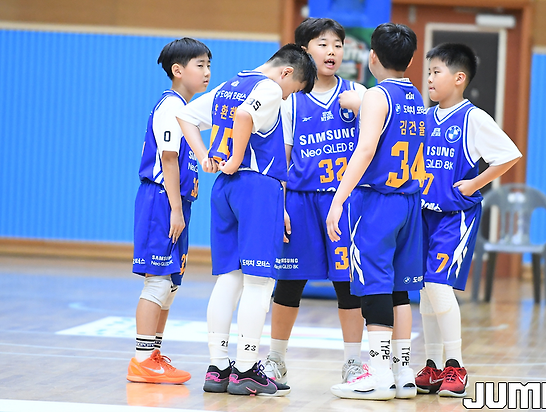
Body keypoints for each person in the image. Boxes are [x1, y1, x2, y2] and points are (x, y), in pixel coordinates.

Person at [176, 43, 316, 397]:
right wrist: (237, 157)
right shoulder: (269, 88)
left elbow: (186, 117)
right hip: (257, 186)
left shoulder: (230, 84)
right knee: (259, 282)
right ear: (286, 73)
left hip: (225, 189)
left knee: (229, 278)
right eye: (293, 90)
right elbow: (244, 117)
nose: (288, 96)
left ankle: (218, 367)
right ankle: (246, 368)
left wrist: (205, 156)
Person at [263, 17, 367, 386]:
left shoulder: (357, 94)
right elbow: (282, 157)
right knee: (289, 282)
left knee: (348, 284)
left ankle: (353, 363)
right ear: (305, 50)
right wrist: (281, 205)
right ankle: (275, 359)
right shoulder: (290, 98)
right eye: (323, 44)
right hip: (301, 202)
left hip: (343, 202)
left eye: (338, 45)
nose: (332, 51)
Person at [414, 43, 521, 397]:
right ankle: (432, 366)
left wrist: (475, 183)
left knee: (438, 284)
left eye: (436, 72)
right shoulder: (425, 117)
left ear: (459, 78)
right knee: (426, 290)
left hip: (454, 216)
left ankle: (456, 366)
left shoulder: (473, 118)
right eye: (428, 72)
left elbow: (508, 155)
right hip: (423, 214)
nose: (430, 78)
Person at [325, 23, 425, 401]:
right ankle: (403, 373)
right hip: (409, 202)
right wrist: (360, 101)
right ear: (411, 60)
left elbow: (365, 149)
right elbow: (378, 109)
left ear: (372, 57)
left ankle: (378, 375)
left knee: (374, 285)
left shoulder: (376, 97)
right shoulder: (415, 96)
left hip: (378, 203)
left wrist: (338, 199)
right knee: (400, 289)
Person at [127, 37, 212, 384]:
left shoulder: (187, 111)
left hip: (177, 203)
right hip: (161, 201)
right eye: (200, 65)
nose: (207, 72)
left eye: (208, 65)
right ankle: (141, 360)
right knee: (158, 282)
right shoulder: (170, 106)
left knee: (170, 286)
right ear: (177, 70)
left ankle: (153, 355)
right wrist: (175, 209)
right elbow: (168, 158)